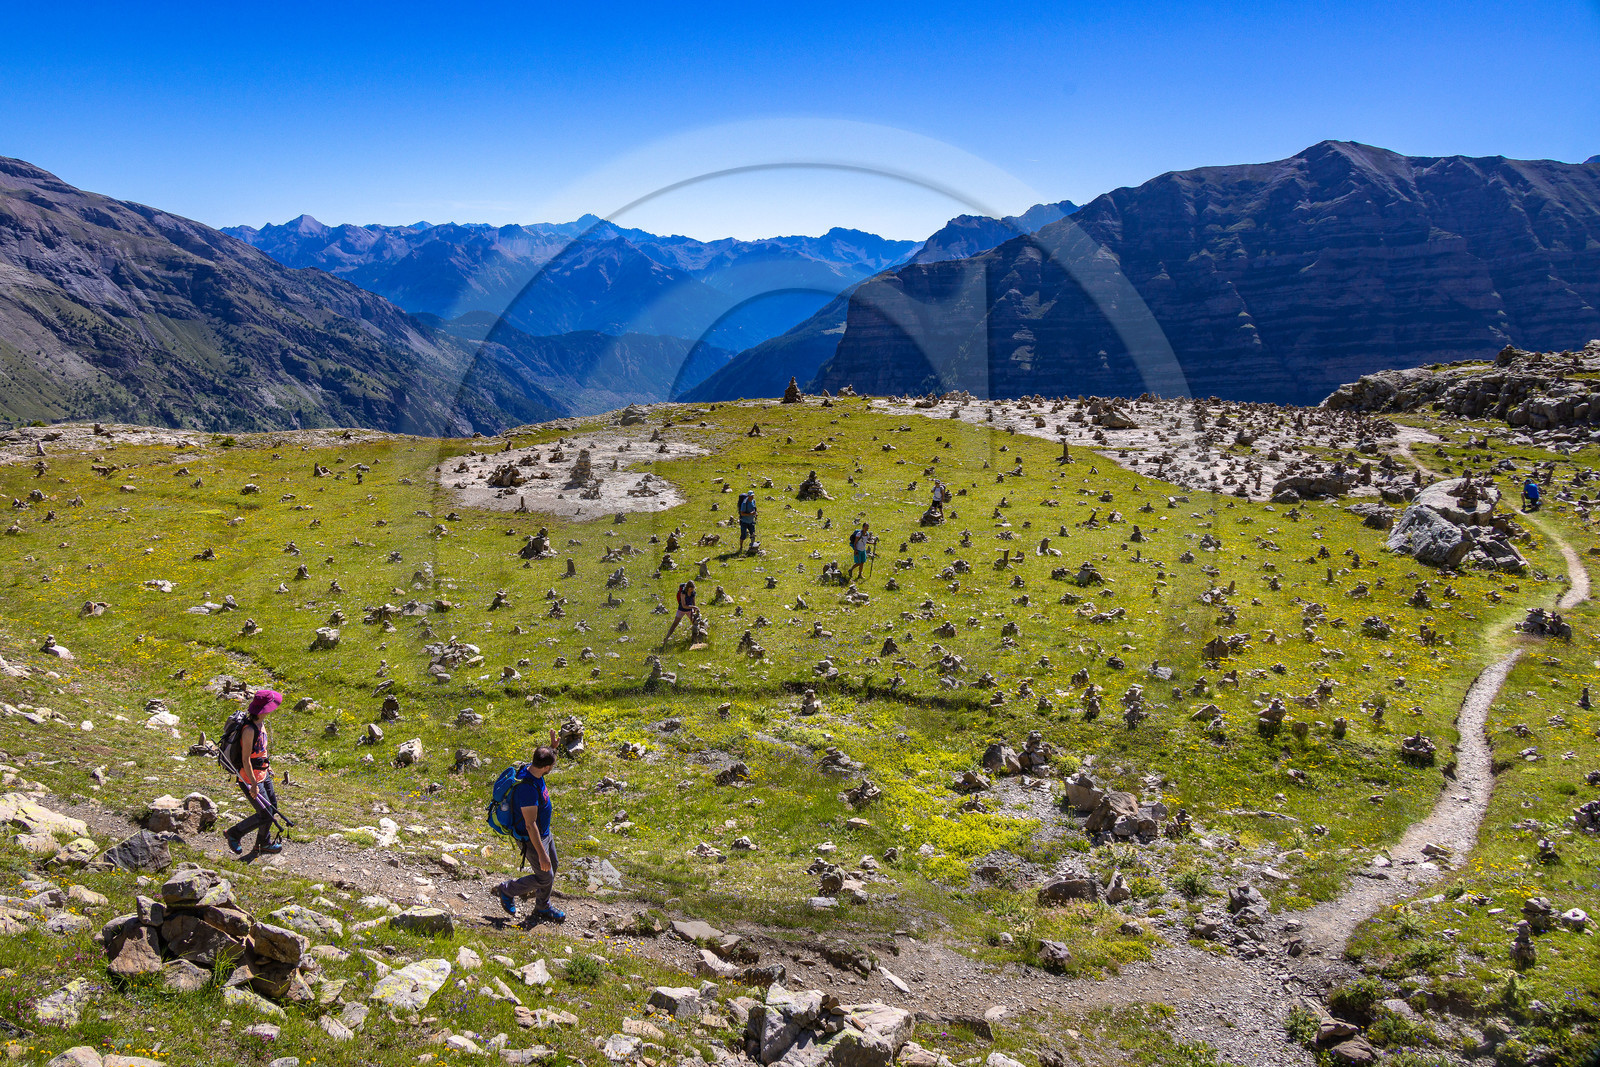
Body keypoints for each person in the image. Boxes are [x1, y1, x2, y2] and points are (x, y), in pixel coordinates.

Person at [494, 734, 564, 922]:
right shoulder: (527, 789)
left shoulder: (532, 768)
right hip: (532, 839)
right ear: (547, 767)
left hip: (545, 833)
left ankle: (542, 907)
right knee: (544, 877)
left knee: (552, 867)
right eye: (552, 764)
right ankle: (507, 890)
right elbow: (530, 824)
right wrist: (541, 854)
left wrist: (552, 748)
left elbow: (544, 758)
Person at [225, 689, 285, 856]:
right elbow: (245, 760)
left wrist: (268, 765)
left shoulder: (261, 723)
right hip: (249, 778)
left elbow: (260, 750)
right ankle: (234, 833)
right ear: (264, 708)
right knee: (265, 814)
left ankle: (262, 843)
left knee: (271, 810)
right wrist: (252, 784)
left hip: (262, 774)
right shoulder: (249, 729)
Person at [662, 580, 698, 645]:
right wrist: (693, 607)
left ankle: (695, 640)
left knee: (695, 623)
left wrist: (694, 609)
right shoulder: (683, 592)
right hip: (681, 610)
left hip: (689, 610)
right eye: (690, 589)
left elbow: (693, 601)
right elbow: (684, 605)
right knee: (675, 624)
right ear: (687, 588)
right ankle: (666, 638)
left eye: (692, 589)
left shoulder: (693, 592)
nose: (691, 590)